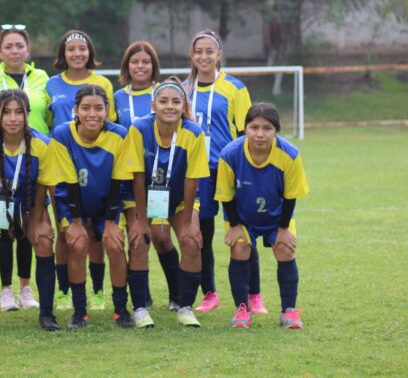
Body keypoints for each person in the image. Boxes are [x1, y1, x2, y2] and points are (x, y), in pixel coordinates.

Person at [121, 78, 210, 328]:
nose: (169, 106)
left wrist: (190, 222)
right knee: (140, 241)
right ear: (153, 104)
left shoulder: (193, 133)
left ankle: (185, 307)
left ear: (183, 105)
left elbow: (192, 180)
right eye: (163, 101)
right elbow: (137, 175)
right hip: (142, 195)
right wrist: (141, 219)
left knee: (191, 241)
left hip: (180, 197)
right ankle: (139, 308)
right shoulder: (139, 128)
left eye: (175, 101)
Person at [0, 90, 60, 331]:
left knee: (42, 240)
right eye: (6, 112)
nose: (13, 118)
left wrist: (39, 220)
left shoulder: (43, 144)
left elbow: (42, 187)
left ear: (28, 114)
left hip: (29, 204)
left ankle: (47, 314)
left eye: (19, 112)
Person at [44, 85, 134, 329]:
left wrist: (110, 222)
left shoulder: (120, 134)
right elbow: (68, 181)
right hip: (74, 203)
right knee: (78, 243)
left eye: (98, 108)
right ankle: (80, 311)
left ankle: (120, 308)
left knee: (115, 244)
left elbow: (119, 179)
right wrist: (74, 222)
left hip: (109, 203)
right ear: (75, 110)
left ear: (107, 110)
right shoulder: (62, 134)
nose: (92, 114)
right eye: (86, 108)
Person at [183, 29, 258, 314]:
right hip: (197, 172)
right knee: (201, 233)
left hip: (227, 169)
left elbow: (245, 132)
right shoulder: (185, 90)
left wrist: (244, 168)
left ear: (219, 55)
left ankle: (254, 296)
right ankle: (209, 293)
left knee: (241, 231)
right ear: (191, 56)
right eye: (198, 51)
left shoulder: (235, 88)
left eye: (209, 51)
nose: (204, 56)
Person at [215, 103, 308, 329]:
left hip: (277, 217)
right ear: (245, 128)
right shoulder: (229, 155)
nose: (259, 134)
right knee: (239, 247)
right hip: (242, 216)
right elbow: (226, 195)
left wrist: (284, 229)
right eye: (254, 127)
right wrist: (235, 226)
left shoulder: (290, 155)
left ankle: (289, 311)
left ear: (276, 130)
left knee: (285, 249)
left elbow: (291, 196)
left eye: (267, 128)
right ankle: (242, 309)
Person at [0, 25, 49, 311]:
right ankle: (6, 290)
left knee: (29, 228)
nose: (14, 51)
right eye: (8, 46)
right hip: (1, 158)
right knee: (5, 224)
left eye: (19, 45)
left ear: (28, 49)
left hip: (33, 158)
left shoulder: (43, 78)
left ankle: (26, 288)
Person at [45, 30, 116, 312]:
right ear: (63, 53)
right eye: (71, 49)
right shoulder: (51, 84)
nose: (77, 54)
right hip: (63, 162)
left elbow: (108, 122)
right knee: (66, 231)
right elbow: (49, 120)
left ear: (90, 53)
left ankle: (98, 291)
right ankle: (64, 292)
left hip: (95, 163)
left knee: (94, 233)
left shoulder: (102, 83)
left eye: (82, 49)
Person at [113, 41, 163, 309]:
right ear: (127, 66)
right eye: (135, 62)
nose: (140, 66)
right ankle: (140, 297)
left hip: (161, 178)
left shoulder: (163, 94)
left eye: (146, 62)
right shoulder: (118, 98)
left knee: (161, 238)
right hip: (129, 178)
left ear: (153, 67)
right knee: (137, 239)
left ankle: (178, 296)